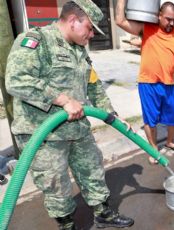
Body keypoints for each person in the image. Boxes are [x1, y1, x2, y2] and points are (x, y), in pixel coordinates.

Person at [5, 1, 134, 229]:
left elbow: (94, 86)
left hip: (77, 128)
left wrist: (112, 115)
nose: (92, 35)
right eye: (90, 28)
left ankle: (103, 214)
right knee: (56, 186)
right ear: (74, 21)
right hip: (43, 134)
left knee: (93, 170)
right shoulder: (37, 41)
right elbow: (16, 81)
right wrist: (62, 99)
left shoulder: (79, 50)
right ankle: (67, 225)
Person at [115, 1, 174, 164]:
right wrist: (121, 1)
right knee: (151, 120)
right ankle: (153, 149)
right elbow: (120, 21)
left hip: (168, 83)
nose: (171, 23)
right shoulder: (147, 28)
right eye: (168, 19)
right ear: (159, 16)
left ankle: (170, 142)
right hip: (148, 83)